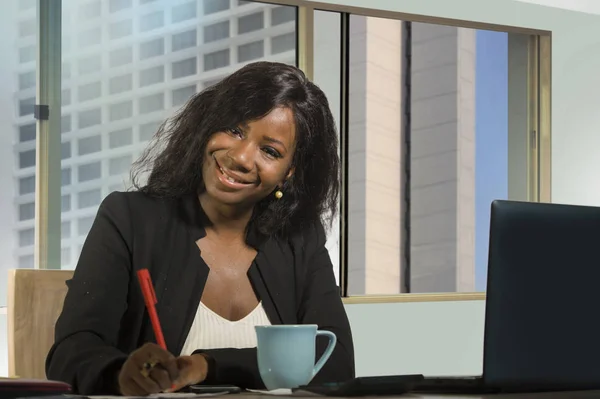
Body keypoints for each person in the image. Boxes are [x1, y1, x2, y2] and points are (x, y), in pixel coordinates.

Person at [45, 61, 355, 396]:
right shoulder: (129, 219)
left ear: (289, 172)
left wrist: (206, 366)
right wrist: (120, 372)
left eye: (269, 151)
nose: (240, 157)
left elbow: (335, 362)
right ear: (209, 126)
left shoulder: (299, 240)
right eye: (235, 130)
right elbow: (71, 352)